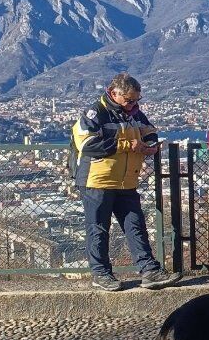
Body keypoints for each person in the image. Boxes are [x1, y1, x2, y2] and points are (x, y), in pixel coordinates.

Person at [71, 72, 180, 292]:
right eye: (128, 100)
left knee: (135, 225)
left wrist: (150, 144)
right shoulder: (95, 113)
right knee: (98, 228)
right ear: (113, 93)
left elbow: (149, 131)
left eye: (136, 100)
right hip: (97, 179)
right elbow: (88, 145)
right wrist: (127, 146)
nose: (132, 105)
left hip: (127, 180)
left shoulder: (134, 113)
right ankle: (101, 273)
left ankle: (149, 270)